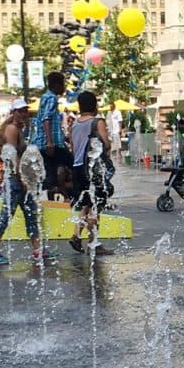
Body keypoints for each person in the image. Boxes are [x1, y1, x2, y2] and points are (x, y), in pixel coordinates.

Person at [0, 99, 48, 265]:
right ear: (13, 113)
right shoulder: (12, 129)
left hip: (19, 179)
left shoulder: (17, 129)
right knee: (7, 215)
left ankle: (37, 250)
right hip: (14, 180)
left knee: (30, 213)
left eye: (25, 111)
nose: (24, 114)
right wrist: (21, 178)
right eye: (20, 111)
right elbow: (12, 156)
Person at [68, 91, 114, 256]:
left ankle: (76, 235)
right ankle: (94, 243)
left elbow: (73, 148)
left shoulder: (74, 125)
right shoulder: (97, 122)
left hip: (77, 168)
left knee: (86, 204)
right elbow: (106, 145)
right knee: (96, 204)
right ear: (94, 105)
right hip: (92, 169)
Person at [33, 71, 71, 199]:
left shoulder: (45, 97)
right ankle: (68, 196)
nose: (64, 88)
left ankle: (51, 197)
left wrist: (63, 137)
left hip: (45, 143)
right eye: (63, 84)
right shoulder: (51, 98)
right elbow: (46, 118)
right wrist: (49, 141)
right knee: (73, 165)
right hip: (51, 144)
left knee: (51, 172)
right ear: (56, 85)